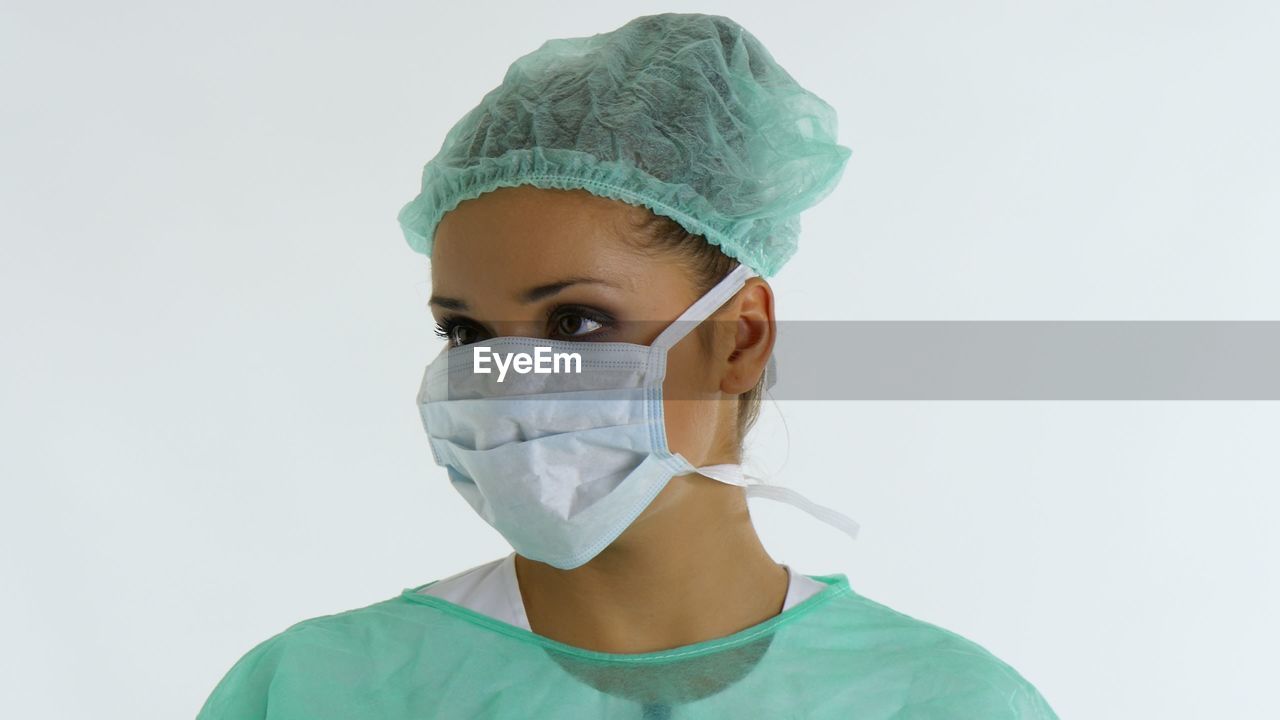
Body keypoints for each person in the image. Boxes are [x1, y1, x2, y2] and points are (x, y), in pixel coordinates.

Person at [196, 12, 1058, 719]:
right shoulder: (319, 692)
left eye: (574, 322)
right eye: (465, 335)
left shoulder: (941, 703)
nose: (507, 381)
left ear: (740, 338)